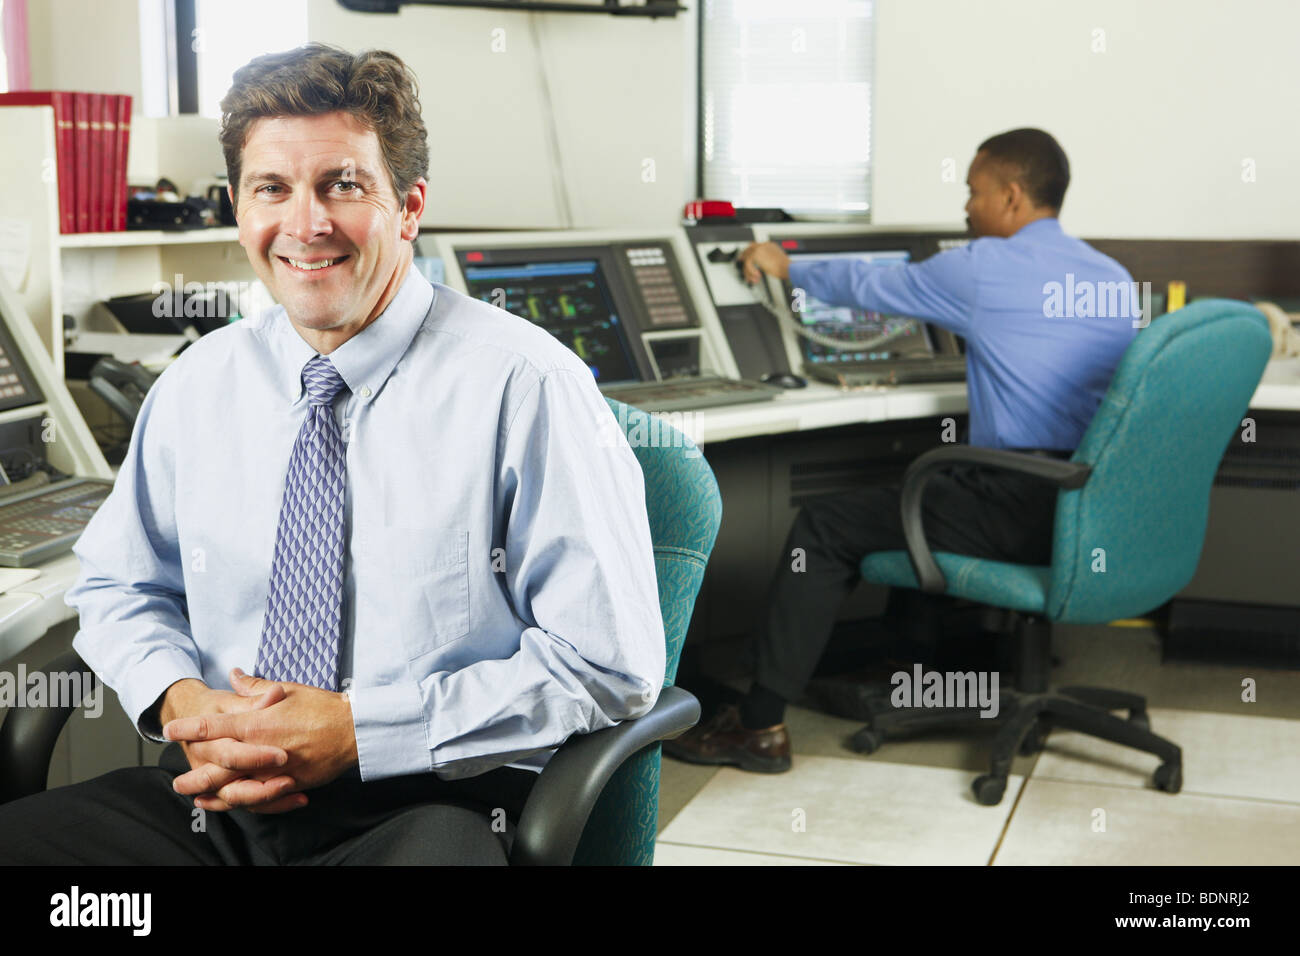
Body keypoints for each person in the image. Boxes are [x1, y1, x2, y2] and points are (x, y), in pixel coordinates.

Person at [0, 43, 665, 864]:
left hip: (430, 803)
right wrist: (181, 704)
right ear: (239, 209)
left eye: (342, 185)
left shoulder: (528, 387)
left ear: (409, 206)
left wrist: (359, 733)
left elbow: (610, 662)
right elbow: (119, 582)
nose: (305, 224)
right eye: (270, 188)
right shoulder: (197, 382)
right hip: (215, 803)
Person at [665, 128, 1137, 773]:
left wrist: (785, 265)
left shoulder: (979, 268)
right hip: (1094, 502)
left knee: (826, 526)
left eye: (973, 193)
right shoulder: (1110, 276)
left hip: (1023, 501)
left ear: (1012, 194)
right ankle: (904, 665)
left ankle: (759, 726)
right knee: (927, 481)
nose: (966, 208)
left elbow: (873, 286)